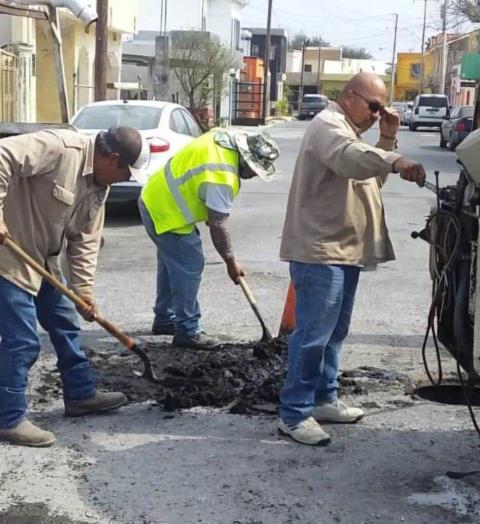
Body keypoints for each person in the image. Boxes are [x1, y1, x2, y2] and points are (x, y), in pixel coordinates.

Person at [278, 72, 427, 446]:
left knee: (334, 334)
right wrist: (393, 157)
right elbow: (349, 160)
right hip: (321, 252)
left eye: (382, 108)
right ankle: (294, 414)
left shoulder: (351, 135)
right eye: (373, 106)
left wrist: (388, 139)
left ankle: (325, 399)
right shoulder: (328, 125)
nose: (377, 114)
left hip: (344, 252)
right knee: (312, 336)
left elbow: (369, 181)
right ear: (348, 97)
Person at [0, 126, 149, 447]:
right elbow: (2, 155)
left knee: (66, 324)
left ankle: (80, 395)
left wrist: (84, 291)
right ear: (112, 159)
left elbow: (85, 241)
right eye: (126, 172)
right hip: (9, 255)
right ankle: (8, 418)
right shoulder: (59, 147)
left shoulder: (99, 187)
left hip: (44, 260)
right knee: (22, 340)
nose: (126, 179)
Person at [139, 128, 279, 350]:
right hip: (166, 210)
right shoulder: (222, 176)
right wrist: (231, 262)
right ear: (246, 159)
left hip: (154, 196)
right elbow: (218, 225)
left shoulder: (221, 137)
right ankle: (188, 330)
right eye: (253, 170)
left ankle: (165, 318)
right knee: (190, 263)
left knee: (171, 261)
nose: (252, 176)